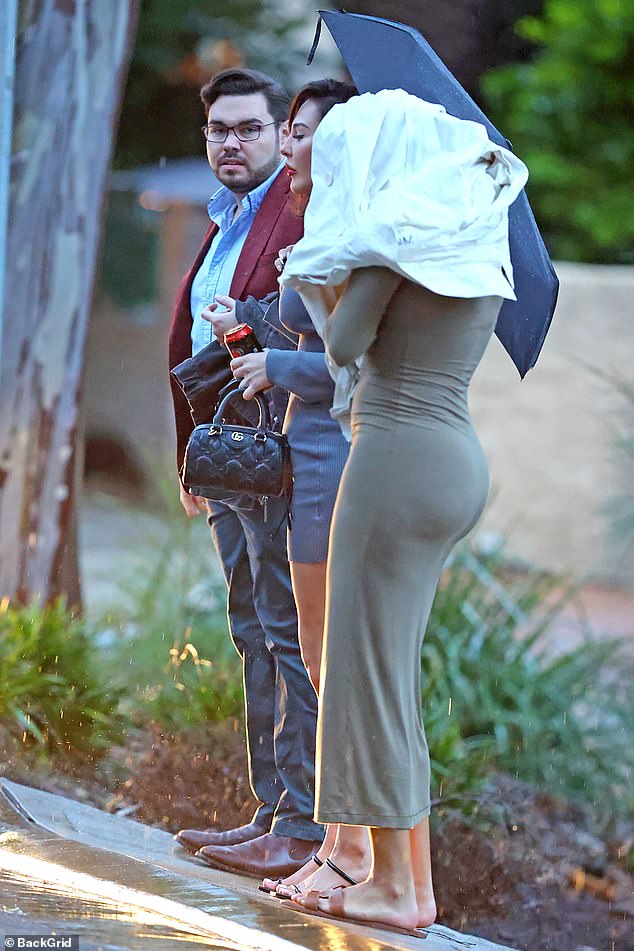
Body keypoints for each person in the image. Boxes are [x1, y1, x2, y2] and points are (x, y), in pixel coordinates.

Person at [279, 89, 528, 934]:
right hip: (454, 460)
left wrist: (337, 259)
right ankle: (407, 886)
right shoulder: (472, 232)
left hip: (393, 458)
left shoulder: (396, 238)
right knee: (391, 679)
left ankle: (391, 886)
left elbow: (345, 344)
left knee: (363, 674)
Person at [206, 79, 373, 897]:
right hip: (276, 451)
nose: (293, 149)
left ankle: (311, 830)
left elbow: (348, 364)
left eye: (300, 134)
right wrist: (245, 324)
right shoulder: (275, 222)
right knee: (274, 635)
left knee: (310, 651)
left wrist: (269, 347)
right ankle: (282, 813)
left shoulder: (340, 235)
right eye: (297, 131)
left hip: (316, 458)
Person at [168, 67, 323, 880]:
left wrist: (247, 322)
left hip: (274, 458)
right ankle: (269, 811)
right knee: (250, 634)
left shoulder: (297, 214)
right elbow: (194, 345)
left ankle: (298, 823)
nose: (233, 142)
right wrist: (189, 456)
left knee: (283, 635)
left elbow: (309, 329)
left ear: (278, 135)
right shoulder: (225, 218)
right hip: (226, 459)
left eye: (251, 129)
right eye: (219, 130)